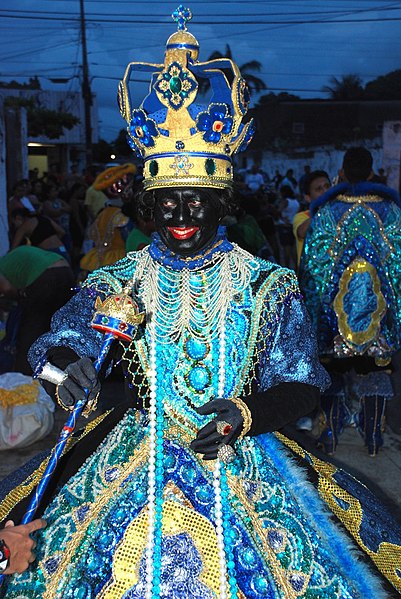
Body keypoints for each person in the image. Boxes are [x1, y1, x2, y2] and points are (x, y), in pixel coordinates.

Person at [2, 12, 400, 599]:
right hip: (126, 461)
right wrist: (66, 369)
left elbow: (302, 383)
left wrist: (243, 415)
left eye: (198, 202)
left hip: (241, 463)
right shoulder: (117, 278)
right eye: (167, 203)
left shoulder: (269, 284)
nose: (182, 218)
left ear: (225, 204)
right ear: (149, 205)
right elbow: (55, 346)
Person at [299, 147, 401, 456]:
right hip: (377, 316)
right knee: (375, 371)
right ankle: (372, 439)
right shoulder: (391, 211)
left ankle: (330, 434)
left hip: (334, 317)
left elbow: (311, 268)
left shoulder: (327, 211)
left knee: (334, 372)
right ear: (372, 173)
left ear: (341, 173)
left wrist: (314, 312)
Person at [0, 246, 75, 375]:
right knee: (57, 328)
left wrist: (18, 297)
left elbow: (7, 289)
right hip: (65, 270)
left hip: (45, 277)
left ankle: (26, 378)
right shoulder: (10, 262)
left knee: (31, 332)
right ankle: (63, 372)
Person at [292, 170, 331, 269]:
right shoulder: (302, 217)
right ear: (308, 198)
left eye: (327, 186)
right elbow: (302, 232)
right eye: (319, 189)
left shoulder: (338, 214)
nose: (325, 191)